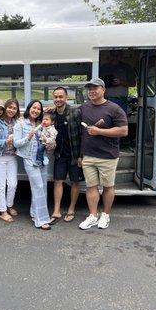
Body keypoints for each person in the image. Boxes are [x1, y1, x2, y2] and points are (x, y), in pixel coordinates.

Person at [79, 78, 128, 230]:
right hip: (88, 155)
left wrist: (99, 131)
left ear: (103, 90)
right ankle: (93, 215)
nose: (92, 91)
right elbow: (69, 114)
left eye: (95, 88)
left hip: (108, 156)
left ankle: (105, 215)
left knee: (108, 187)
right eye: (90, 89)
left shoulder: (114, 108)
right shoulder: (84, 107)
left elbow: (124, 131)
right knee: (91, 187)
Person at [13, 100, 51, 230]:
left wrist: (47, 142)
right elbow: (16, 143)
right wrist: (28, 137)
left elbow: (45, 139)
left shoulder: (41, 124)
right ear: (29, 109)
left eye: (39, 109)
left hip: (42, 159)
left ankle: (35, 213)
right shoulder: (21, 124)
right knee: (38, 186)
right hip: (29, 159)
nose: (36, 111)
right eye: (34, 108)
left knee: (43, 187)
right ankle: (42, 220)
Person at [49, 87, 83, 224]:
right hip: (60, 154)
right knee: (58, 181)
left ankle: (71, 209)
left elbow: (83, 134)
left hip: (75, 154)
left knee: (75, 182)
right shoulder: (51, 114)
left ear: (66, 98)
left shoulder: (75, 112)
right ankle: (56, 210)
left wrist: (81, 155)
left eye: (61, 97)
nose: (58, 99)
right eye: (56, 97)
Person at [0, 99, 20, 223]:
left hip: (12, 156)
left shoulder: (17, 122)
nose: (11, 110)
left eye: (14, 108)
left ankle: (9, 205)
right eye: (10, 107)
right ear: (5, 108)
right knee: (0, 185)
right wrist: (5, 142)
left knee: (13, 184)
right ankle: (3, 211)